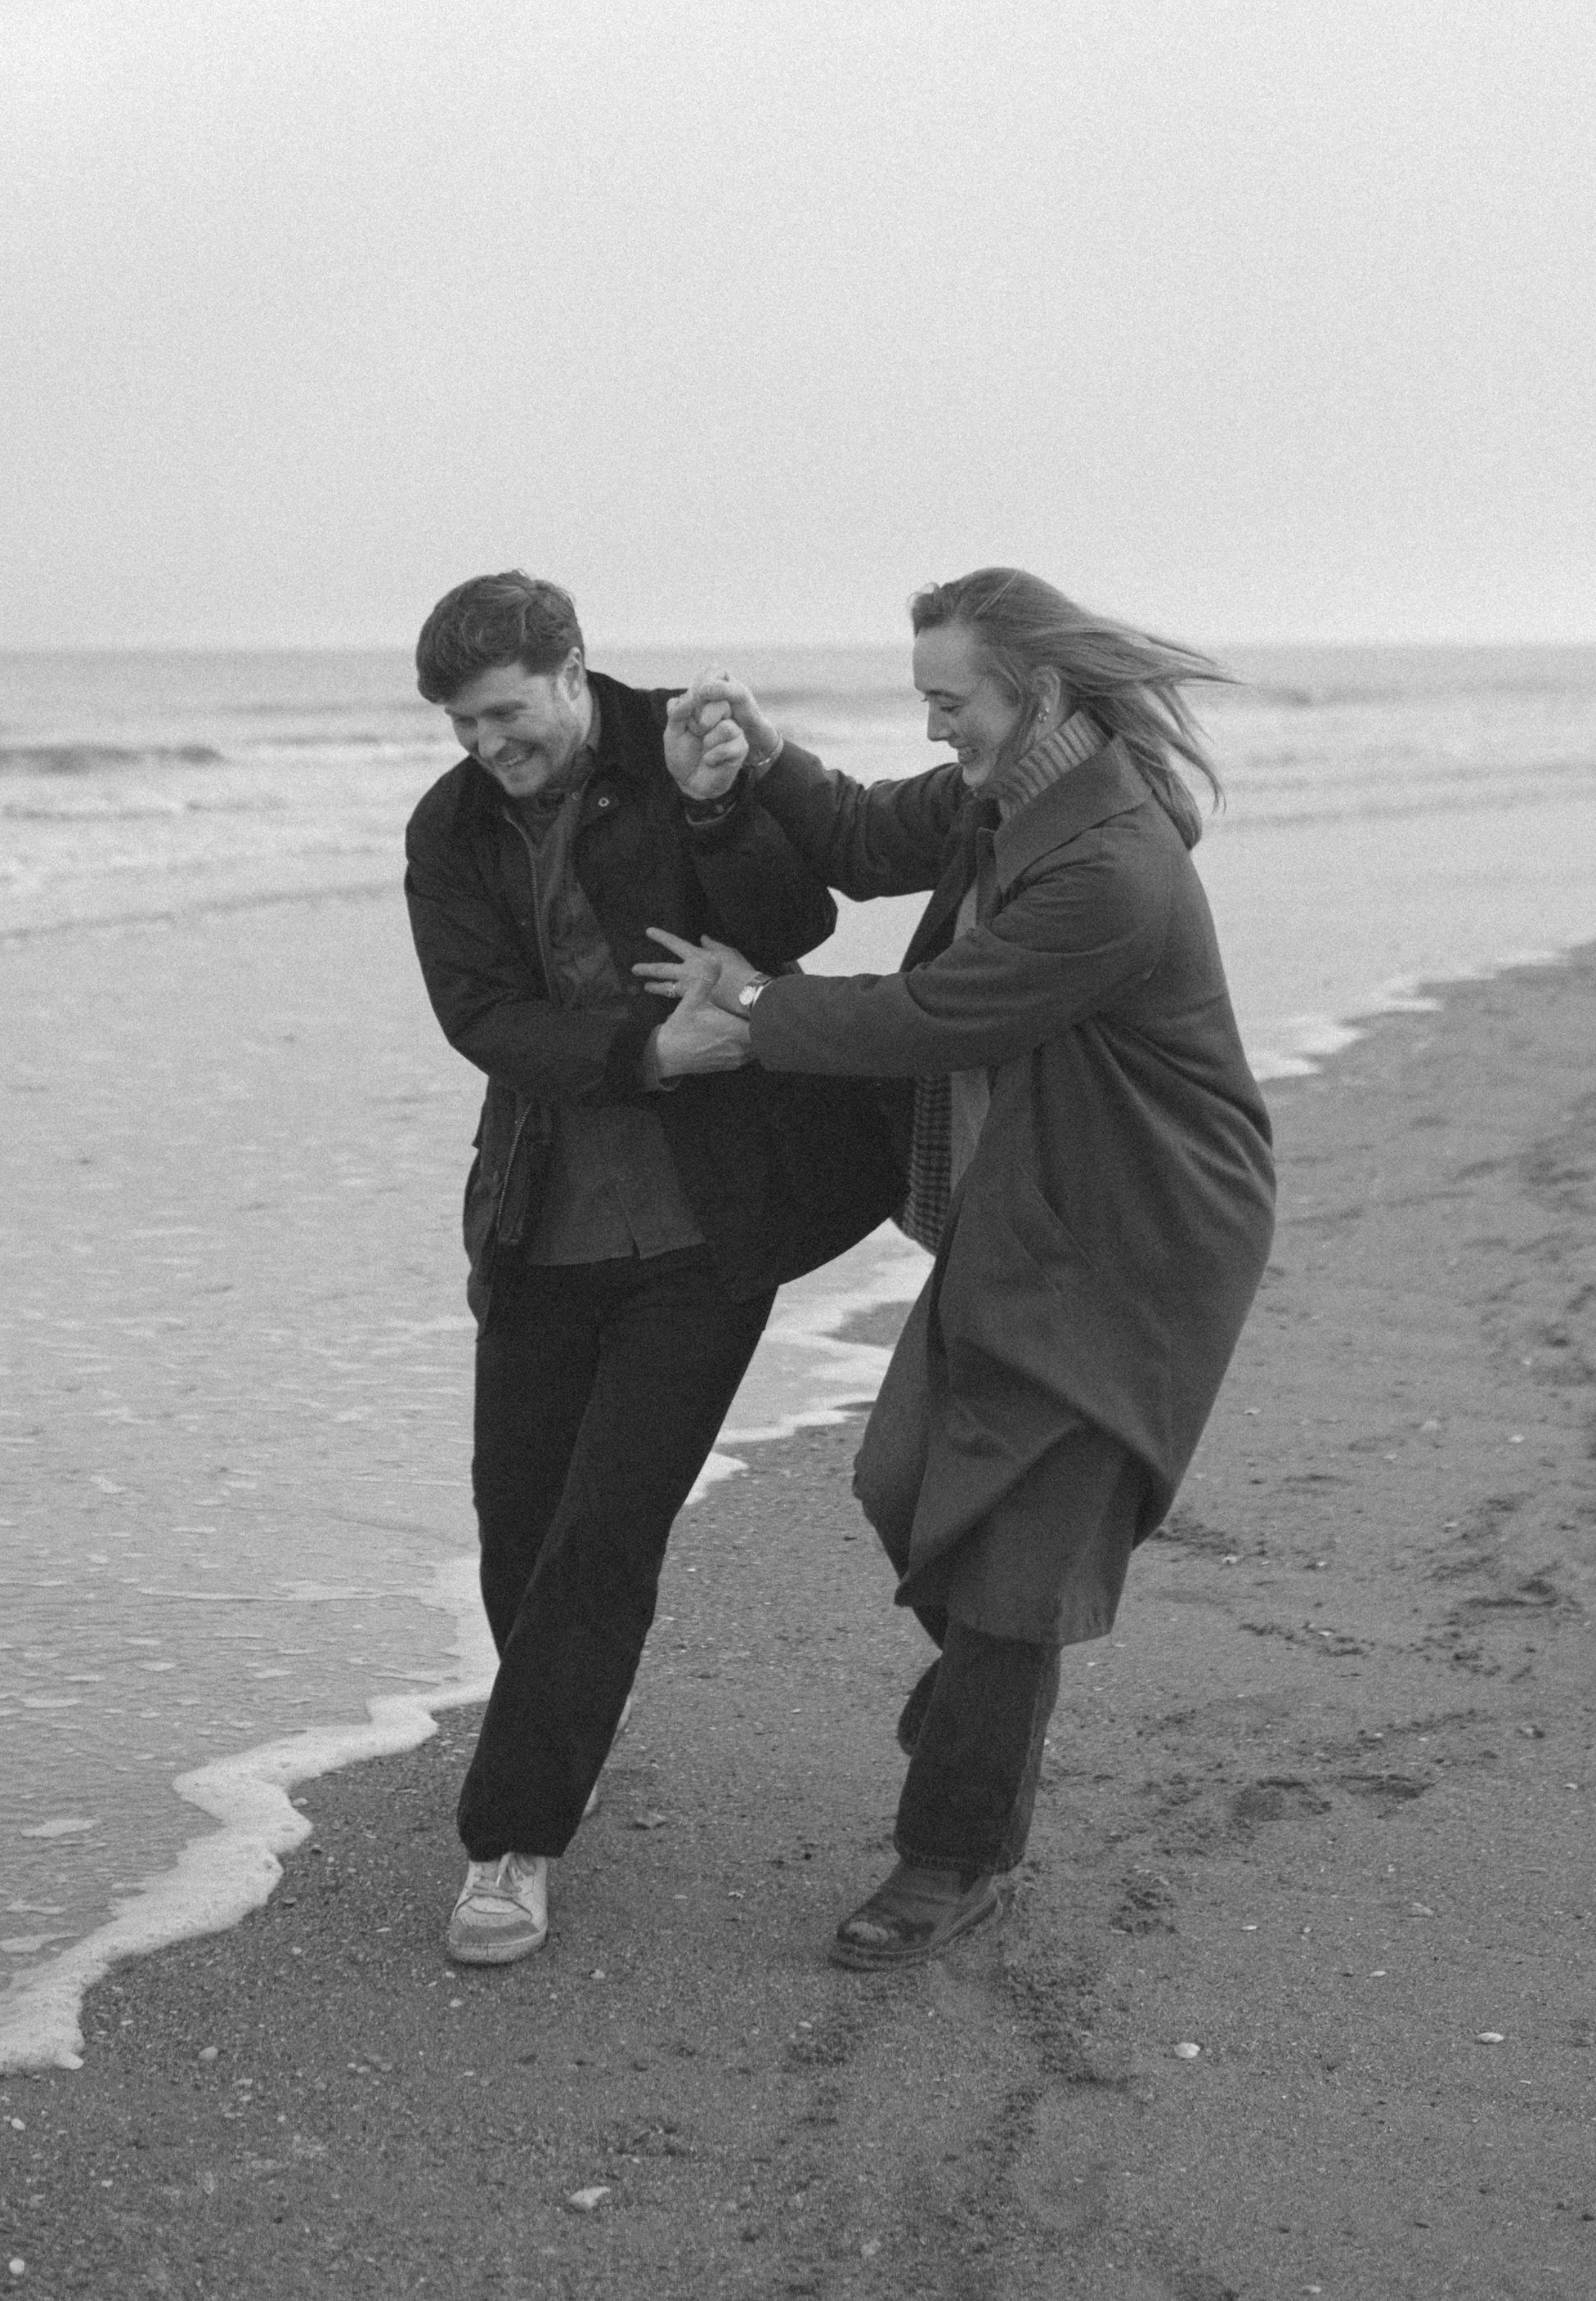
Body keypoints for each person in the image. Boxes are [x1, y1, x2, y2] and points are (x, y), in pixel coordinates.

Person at [635, 567, 1276, 1970]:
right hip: (1033, 1202)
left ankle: (953, 1851)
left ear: (1037, 690)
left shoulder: (1107, 861)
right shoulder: (1010, 799)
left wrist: (747, 1001)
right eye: (924, 699)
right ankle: (997, 1694)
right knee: (902, 1482)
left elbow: (936, 1015)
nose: (937, 729)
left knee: (1011, 1558)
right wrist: (762, 748)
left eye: (952, 701)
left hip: (1142, 1225)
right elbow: (865, 838)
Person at [404, 572, 899, 1967]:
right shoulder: (448, 829)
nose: (488, 748)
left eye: (506, 715)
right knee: (521, 1520)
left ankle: (513, 1844)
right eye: (460, 726)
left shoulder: (685, 752)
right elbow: (480, 1015)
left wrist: (717, 809)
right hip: (538, 1219)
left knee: (606, 1534)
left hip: (704, 1225)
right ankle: (562, 1736)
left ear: (571, 671)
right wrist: (642, 1053)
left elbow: (794, 928)